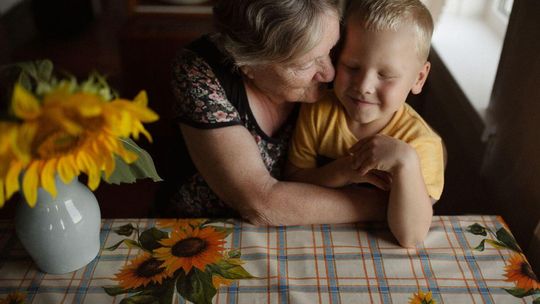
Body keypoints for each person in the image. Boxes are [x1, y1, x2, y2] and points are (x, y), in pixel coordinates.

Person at [166, 0, 389, 226]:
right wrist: (388, 206)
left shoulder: (340, 63)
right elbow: (261, 205)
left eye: (331, 49)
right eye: (304, 65)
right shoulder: (199, 70)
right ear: (247, 65)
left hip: (317, 230)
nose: (329, 74)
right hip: (202, 230)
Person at [286, 0, 445, 247]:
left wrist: (406, 163)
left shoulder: (420, 143)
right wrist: (342, 170)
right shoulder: (317, 112)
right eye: (352, 67)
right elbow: (293, 182)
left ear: (419, 78)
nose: (363, 87)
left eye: (385, 75)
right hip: (311, 240)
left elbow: (411, 236)